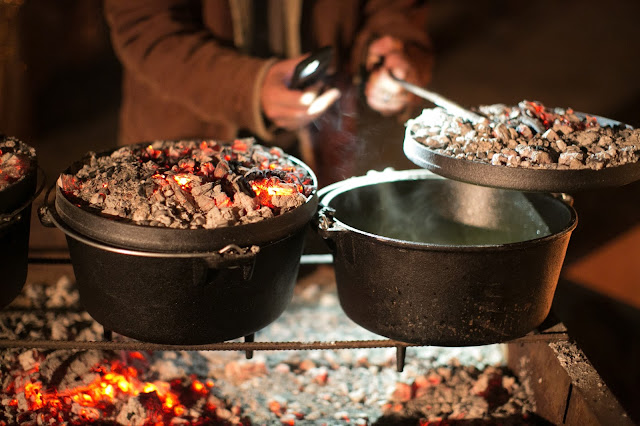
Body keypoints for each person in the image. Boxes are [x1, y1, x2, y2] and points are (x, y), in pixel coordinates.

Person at [103, 0, 433, 185]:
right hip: (184, 157)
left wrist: (391, 47)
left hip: (318, 160)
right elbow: (144, 27)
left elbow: (394, 9)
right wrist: (249, 89)